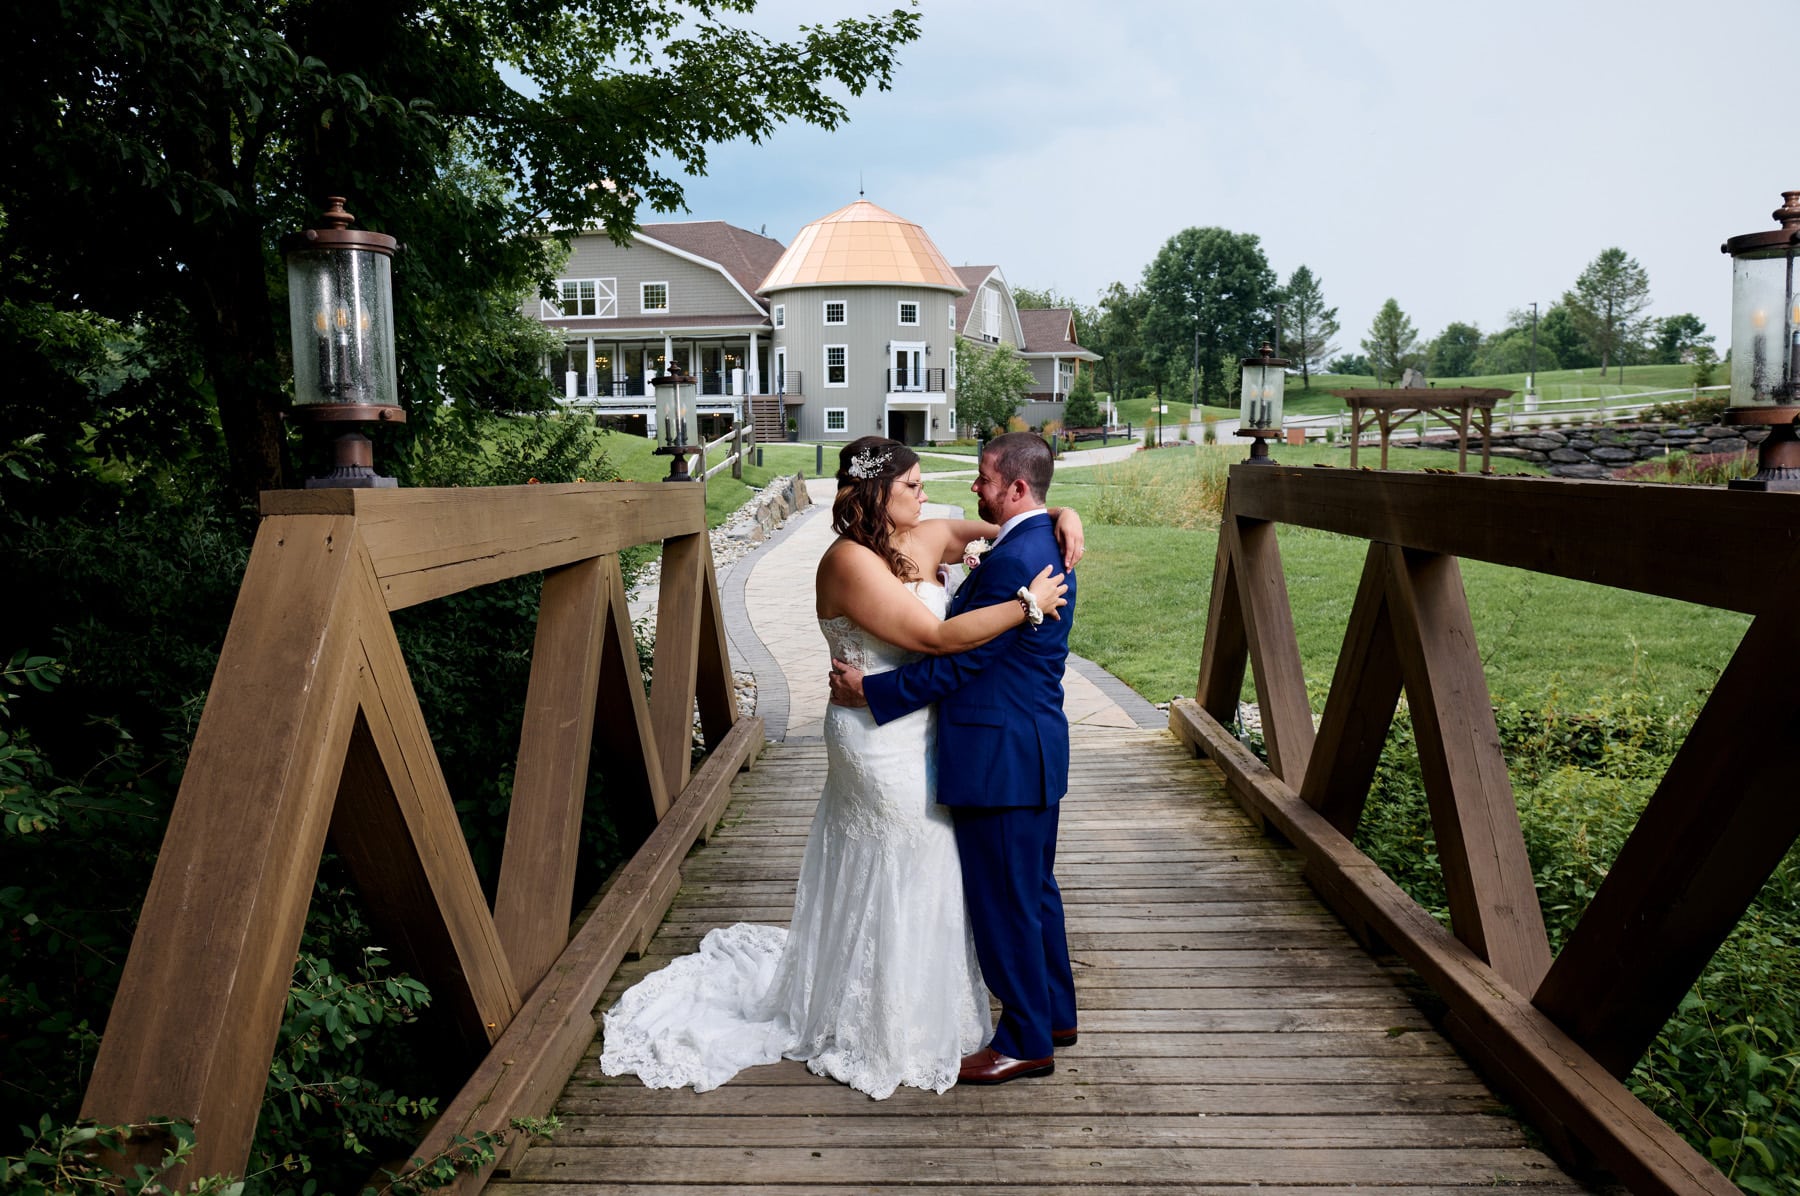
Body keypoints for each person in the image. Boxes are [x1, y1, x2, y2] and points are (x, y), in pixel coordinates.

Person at [599, 436, 1082, 1099]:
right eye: (912, 484)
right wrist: (1026, 602)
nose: (932, 491)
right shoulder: (851, 563)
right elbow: (939, 640)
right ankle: (900, 1012)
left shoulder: (933, 534)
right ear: (877, 493)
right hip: (877, 739)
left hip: (946, 733)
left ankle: (991, 1017)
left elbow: (1006, 524)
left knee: (970, 879)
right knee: (918, 862)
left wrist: (1060, 514)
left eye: (927, 483)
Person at [829, 431, 1077, 1085]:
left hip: (999, 755)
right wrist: (1060, 511)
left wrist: (871, 692)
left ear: (1016, 489)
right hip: (1030, 745)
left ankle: (1025, 1040)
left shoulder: (1010, 561)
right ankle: (1055, 1015)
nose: (972, 486)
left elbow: (955, 658)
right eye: (913, 483)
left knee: (1006, 902)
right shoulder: (1032, 540)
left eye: (985, 477)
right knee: (1034, 892)